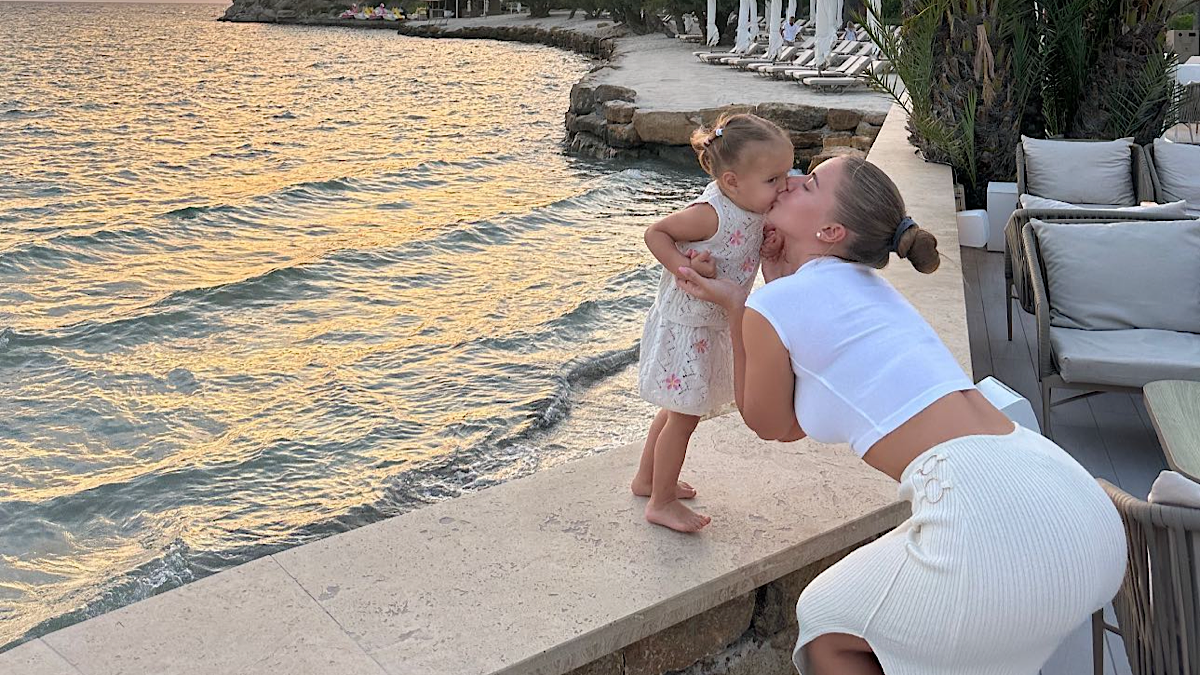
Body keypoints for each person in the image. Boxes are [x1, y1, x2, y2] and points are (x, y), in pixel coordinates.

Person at [675, 156, 1127, 673]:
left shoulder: (776, 306)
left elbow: (768, 423)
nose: (791, 181)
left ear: (831, 231)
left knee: (823, 620)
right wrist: (775, 282)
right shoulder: (870, 290)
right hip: (1079, 506)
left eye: (810, 183)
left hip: (989, 508)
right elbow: (801, 413)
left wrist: (739, 307)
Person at [632, 113, 792, 533]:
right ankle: (661, 502)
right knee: (685, 416)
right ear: (732, 182)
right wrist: (684, 266)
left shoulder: (751, 205)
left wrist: (767, 242)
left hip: (709, 323)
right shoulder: (710, 214)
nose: (784, 186)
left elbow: (744, 245)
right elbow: (655, 234)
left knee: (678, 408)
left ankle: (648, 479)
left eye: (786, 174)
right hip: (688, 326)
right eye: (773, 179)